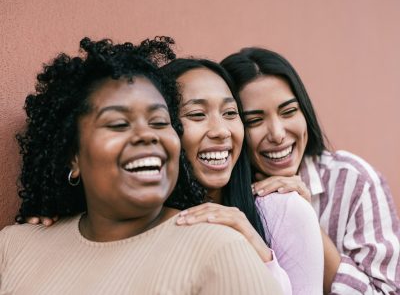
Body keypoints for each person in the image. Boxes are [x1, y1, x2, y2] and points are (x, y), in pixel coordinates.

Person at [0, 37, 282, 294]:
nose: (148, 135)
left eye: (160, 122)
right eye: (119, 124)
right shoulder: (13, 247)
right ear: (72, 156)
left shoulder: (221, 249)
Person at [221, 47, 400, 294]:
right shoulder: (220, 190)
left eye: (289, 111)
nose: (278, 134)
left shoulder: (352, 180)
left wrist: (306, 222)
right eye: (254, 121)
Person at [162, 58, 324, 295]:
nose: (221, 131)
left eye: (230, 112)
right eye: (197, 114)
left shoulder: (282, 209)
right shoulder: (144, 225)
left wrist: (258, 250)